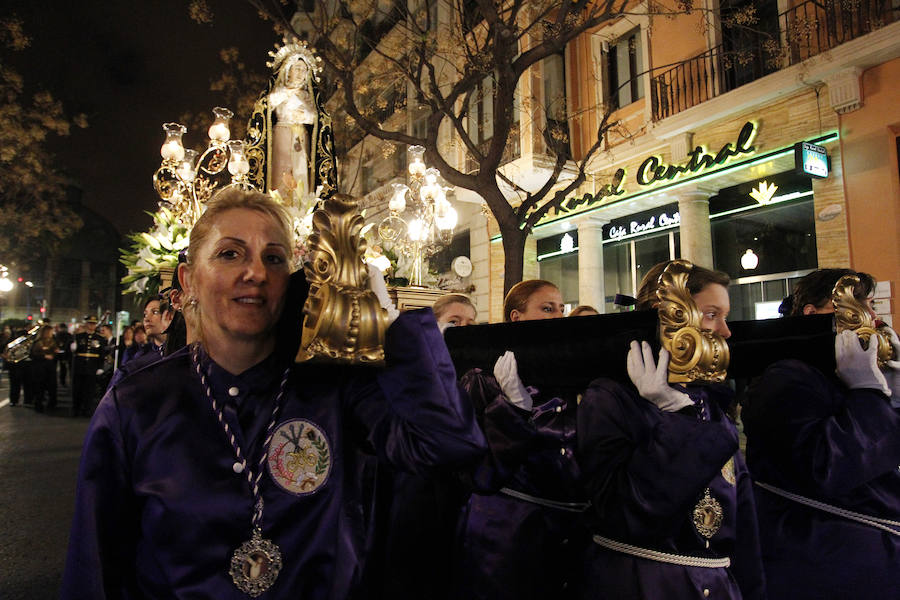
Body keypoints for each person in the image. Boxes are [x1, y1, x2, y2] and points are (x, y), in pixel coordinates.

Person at [62, 188, 485, 599]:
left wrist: (391, 325)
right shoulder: (136, 404)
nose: (256, 273)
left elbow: (447, 446)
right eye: (230, 253)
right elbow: (96, 569)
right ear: (189, 279)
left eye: (274, 258)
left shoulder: (334, 389)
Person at [576, 261, 765, 599]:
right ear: (665, 316)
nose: (725, 331)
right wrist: (679, 423)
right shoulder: (609, 397)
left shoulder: (710, 402)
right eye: (711, 315)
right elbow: (625, 513)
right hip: (643, 584)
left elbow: (743, 518)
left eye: (725, 316)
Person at [741, 268, 900, 599]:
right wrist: (870, 393)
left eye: (870, 306)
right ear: (812, 315)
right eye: (856, 307)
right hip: (821, 559)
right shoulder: (784, 377)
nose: (871, 318)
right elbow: (830, 466)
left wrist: (894, 395)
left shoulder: (839, 374)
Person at [454, 279, 585, 600]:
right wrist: (512, 410)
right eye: (546, 308)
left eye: (561, 309)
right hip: (508, 531)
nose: (558, 316)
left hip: (569, 532)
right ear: (516, 317)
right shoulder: (484, 377)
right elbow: (475, 468)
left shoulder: (573, 374)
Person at [71, 315, 107, 417]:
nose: (91, 326)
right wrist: (73, 348)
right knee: (77, 389)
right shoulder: (79, 337)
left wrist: (100, 367)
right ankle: (76, 409)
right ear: (86, 324)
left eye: (93, 324)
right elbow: (74, 352)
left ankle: (87, 409)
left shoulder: (100, 338)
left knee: (89, 390)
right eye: (90, 323)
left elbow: (102, 354)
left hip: (92, 366)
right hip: (80, 366)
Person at [29, 324, 58, 412]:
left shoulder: (53, 341)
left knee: (52, 387)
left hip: (50, 367)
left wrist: (56, 352)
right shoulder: (38, 342)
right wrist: (44, 356)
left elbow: (55, 352)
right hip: (40, 368)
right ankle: (38, 405)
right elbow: (32, 354)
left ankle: (52, 405)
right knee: (39, 387)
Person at [55, 322, 73, 387]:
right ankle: (68, 381)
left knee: (63, 368)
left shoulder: (58, 335)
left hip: (61, 353)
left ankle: (63, 381)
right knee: (68, 368)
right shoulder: (69, 335)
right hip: (68, 353)